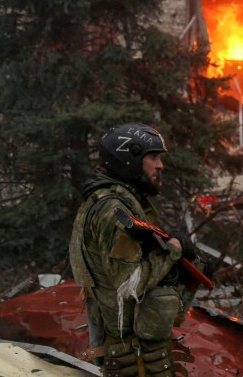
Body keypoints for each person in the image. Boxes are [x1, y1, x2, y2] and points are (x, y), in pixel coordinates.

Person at [69, 123, 197, 377]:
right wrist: (173, 250)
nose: (160, 165)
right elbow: (128, 283)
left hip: (139, 352)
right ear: (130, 159)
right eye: (153, 157)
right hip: (134, 358)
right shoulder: (113, 211)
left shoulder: (117, 202)